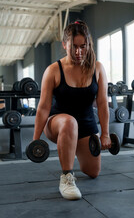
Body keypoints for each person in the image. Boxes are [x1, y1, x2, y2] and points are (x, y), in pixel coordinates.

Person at [33, 20, 111, 200]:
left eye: (83, 46)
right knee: (69, 122)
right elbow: (43, 107)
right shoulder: (54, 70)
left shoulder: (97, 68)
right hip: (58, 122)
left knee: (93, 172)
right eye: (73, 47)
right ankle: (67, 177)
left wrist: (105, 133)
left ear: (89, 44)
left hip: (86, 125)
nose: (79, 52)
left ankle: (71, 144)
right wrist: (35, 140)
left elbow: (102, 104)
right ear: (64, 45)